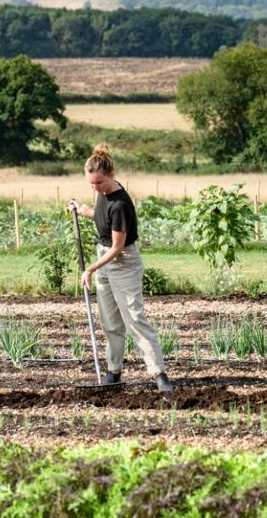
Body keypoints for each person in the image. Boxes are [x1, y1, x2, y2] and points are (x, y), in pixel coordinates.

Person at [68, 144, 174, 392]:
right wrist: (81, 209)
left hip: (123, 262)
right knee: (110, 322)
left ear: (111, 175)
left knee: (135, 318)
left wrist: (90, 269)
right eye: (91, 184)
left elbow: (117, 247)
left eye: (100, 183)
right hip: (103, 259)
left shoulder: (121, 204)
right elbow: (100, 216)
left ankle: (159, 374)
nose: (96, 188)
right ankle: (113, 373)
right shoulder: (102, 195)